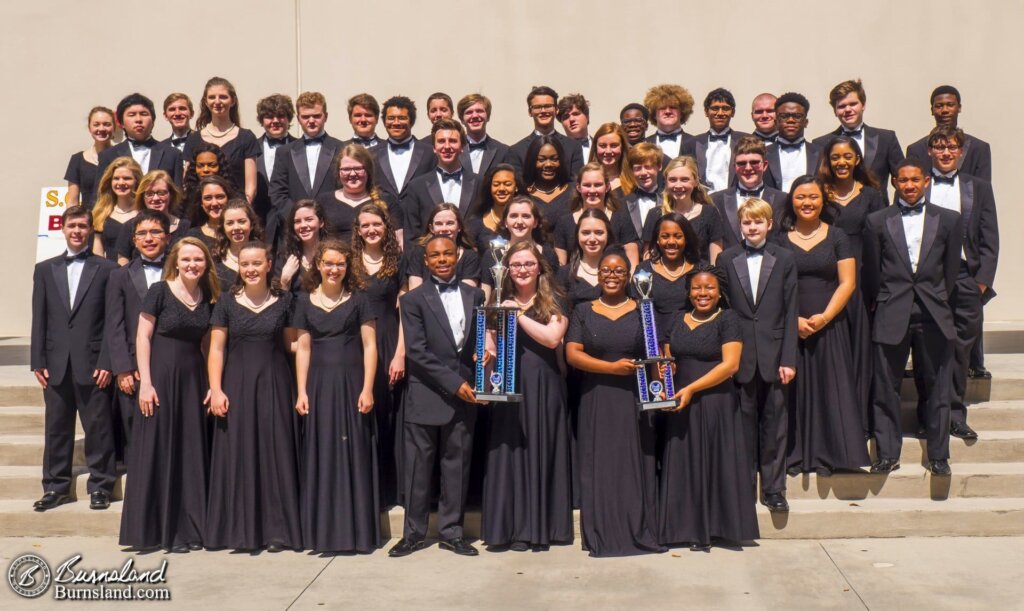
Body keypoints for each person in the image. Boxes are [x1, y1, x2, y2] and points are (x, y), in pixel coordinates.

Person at [119, 236, 218, 553]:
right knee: (162, 449)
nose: (192, 265)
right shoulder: (159, 291)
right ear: (175, 261)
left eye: (198, 260)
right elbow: (143, 336)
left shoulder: (207, 296)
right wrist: (145, 382)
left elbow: (205, 345)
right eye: (187, 259)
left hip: (192, 379)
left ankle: (191, 528)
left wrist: (210, 384)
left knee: (190, 451)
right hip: (160, 377)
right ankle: (163, 530)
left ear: (206, 264)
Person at [863, 159, 962, 476]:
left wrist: (936, 297)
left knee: (937, 387)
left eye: (915, 180)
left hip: (933, 312)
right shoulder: (877, 221)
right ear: (894, 182)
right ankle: (887, 454)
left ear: (926, 182)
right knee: (885, 388)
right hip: (892, 311)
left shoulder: (949, 220)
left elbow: (950, 273)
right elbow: (872, 274)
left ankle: (938, 455)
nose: (909, 185)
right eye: (903, 180)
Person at [389, 235, 485, 558]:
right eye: (435, 256)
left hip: (465, 395)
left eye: (447, 253)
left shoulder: (477, 294)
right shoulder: (413, 299)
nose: (442, 259)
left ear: (457, 255)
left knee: (457, 465)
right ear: (426, 261)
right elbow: (417, 351)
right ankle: (413, 533)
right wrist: (455, 382)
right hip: (427, 392)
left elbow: (480, 340)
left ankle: (452, 532)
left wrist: (486, 359)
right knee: (418, 467)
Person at [564, 248, 663, 557]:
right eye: (606, 270)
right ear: (598, 274)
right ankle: (602, 531)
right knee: (601, 463)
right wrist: (611, 368)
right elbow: (573, 354)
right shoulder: (582, 310)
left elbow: (654, 353)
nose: (611, 275)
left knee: (633, 463)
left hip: (634, 396)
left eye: (619, 270)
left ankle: (636, 527)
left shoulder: (644, 309)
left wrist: (661, 387)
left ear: (628, 276)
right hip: (597, 396)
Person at [206, 241, 301, 552]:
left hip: (275, 383)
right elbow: (216, 348)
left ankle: (278, 533)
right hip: (236, 384)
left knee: (276, 455)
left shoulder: (286, 300)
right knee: (239, 454)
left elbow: (293, 345)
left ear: (268, 264)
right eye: (245, 264)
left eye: (256, 263)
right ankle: (240, 532)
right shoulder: (226, 302)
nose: (250, 269)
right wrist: (216, 388)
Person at [659, 264, 759, 551]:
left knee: (714, 462)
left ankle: (716, 528)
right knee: (685, 463)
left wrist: (691, 388)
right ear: (689, 292)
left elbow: (730, 365)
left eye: (709, 288)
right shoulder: (677, 318)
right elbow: (667, 359)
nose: (703, 293)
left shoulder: (728, 319)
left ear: (719, 293)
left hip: (715, 401)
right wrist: (667, 382)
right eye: (697, 288)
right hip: (681, 402)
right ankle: (685, 527)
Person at [482, 240, 572, 552]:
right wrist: (486, 357)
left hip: (543, 384)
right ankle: (511, 529)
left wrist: (517, 315)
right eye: (516, 264)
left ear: (539, 267)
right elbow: (490, 343)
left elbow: (551, 338)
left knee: (539, 449)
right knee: (510, 453)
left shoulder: (555, 298)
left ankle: (541, 528)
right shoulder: (499, 299)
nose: (522, 270)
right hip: (509, 384)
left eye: (528, 264)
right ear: (507, 269)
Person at [293, 239, 382, 554]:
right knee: (323, 452)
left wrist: (368, 387)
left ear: (348, 267)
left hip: (351, 383)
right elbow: (303, 348)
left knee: (353, 451)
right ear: (318, 265)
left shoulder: (359, 300)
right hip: (318, 385)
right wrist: (302, 390)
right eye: (328, 263)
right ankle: (323, 533)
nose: (334, 269)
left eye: (340, 264)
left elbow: (370, 346)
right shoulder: (303, 301)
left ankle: (355, 532)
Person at [777, 176, 869, 476]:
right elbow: (772, 287)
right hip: (789, 322)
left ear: (822, 200)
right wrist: (794, 321)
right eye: (801, 197)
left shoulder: (838, 236)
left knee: (831, 388)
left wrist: (824, 317)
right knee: (793, 392)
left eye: (813, 197)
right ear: (792, 200)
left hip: (829, 323)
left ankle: (830, 454)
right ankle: (795, 455)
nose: (807, 203)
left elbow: (848, 283)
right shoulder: (779, 238)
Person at [30, 206, 117, 512]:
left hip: (94, 364)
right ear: (63, 229)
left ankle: (101, 485)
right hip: (54, 363)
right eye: (72, 226)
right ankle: (55, 487)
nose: (77, 231)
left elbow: (112, 321)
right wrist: (36, 360)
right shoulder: (44, 269)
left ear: (91, 230)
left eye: (83, 226)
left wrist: (108, 360)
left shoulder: (106, 270)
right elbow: (39, 317)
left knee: (98, 427)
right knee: (56, 427)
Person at [720, 198, 798, 512]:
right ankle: (742, 488)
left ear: (769, 224)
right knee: (742, 425)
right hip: (740, 355)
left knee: (775, 424)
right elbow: (724, 310)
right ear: (740, 225)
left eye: (758, 222)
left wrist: (789, 359)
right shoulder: (727, 258)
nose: (752, 227)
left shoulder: (785, 258)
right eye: (746, 222)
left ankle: (774, 489)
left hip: (775, 353)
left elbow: (791, 310)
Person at [925, 126, 999, 440]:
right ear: (930, 151)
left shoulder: (978, 187)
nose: (945, 153)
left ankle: (955, 415)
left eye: (951, 147)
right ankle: (929, 416)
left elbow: (990, 237)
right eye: (939, 147)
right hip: (929, 278)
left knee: (960, 350)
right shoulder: (918, 184)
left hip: (968, 279)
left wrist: (981, 283)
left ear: (960, 151)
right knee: (930, 348)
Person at [818, 135, 886, 424]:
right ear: (828, 161)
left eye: (847, 156)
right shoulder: (819, 193)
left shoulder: (872, 195)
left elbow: (881, 244)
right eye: (835, 157)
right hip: (825, 281)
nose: (841, 162)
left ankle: (858, 420)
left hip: (860, 281)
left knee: (858, 351)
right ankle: (830, 418)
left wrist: (877, 289)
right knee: (830, 352)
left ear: (857, 159)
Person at [351, 203, 408, 508]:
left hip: (389, 338)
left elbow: (406, 313)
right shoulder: (349, 262)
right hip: (357, 344)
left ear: (386, 227)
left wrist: (400, 353)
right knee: (365, 413)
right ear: (357, 230)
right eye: (365, 225)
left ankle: (393, 490)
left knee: (391, 414)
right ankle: (368, 490)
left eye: (377, 224)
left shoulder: (397, 260)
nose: (371, 230)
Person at [105, 209, 171, 464]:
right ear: (134, 240)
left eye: (155, 232)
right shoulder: (119, 276)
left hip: (171, 362)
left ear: (167, 237)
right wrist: (122, 369)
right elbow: (115, 324)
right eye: (142, 233)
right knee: (138, 432)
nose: (149, 238)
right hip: (133, 369)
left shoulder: (182, 271)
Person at [269, 91, 343, 246]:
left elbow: (346, 189)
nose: (311, 121)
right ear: (298, 119)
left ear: (326, 116)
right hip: (294, 233)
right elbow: (277, 193)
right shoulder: (284, 152)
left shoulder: (342, 148)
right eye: (305, 117)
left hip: (333, 231)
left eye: (316, 116)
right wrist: (299, 220)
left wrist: (325, 219)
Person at [813, 79, 904, 202]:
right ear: (835, 111)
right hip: (838, 214)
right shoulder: (821, 144)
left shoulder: (886, 138)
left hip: (877, 214)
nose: (848, 109)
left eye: (853, 104)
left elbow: (903, 178)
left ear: (863, 105)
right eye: (841, 106)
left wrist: (894, 212)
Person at [182, 77, 259, 203]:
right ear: (206, 102)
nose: (217, 102)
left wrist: (239, 211)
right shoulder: (193, 139)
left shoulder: (246, 137)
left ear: (233, 101)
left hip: (235, 212)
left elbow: (251, 188)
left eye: (223, 97)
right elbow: (187, 183)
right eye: (212, 97)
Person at [402, 119, 478, 239]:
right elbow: (412, 235)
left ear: (462, 146)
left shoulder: (479, 183)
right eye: (441, 141)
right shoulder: (416, 187)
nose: (447, 146)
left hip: (470, 256)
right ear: (434, 147)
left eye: (453, 141)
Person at [641, 157, 725, 263]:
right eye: (673, 180)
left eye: (684, 179)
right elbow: (648, 258)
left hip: (699, 277)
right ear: (666, 182)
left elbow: (716, 260)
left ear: (695, 181)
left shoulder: (709, 213)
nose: (678, 185)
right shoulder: (655, 214)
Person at [316, 144, 402, 244]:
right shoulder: (323, 202)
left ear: (368, 170)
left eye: (358, 168)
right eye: (346, 169)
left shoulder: (387, 201)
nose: (352, 174)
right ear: (339, 172)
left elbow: (399, 241)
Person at [712, 136, 787, 249]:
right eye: (741, 163)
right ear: (734, 167)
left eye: (754, 162)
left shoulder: (783, 200)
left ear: (765, 165)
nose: (748, 168)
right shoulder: (716, 200)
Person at [96, 93, 182, 192]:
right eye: (131, 115)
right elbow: (99, 196)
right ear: (121, 123)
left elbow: (178, 198)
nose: (138, 120)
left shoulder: (172, 154)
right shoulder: (108, 156)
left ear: (153, 121)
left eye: (144, 114)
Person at [481, 196, 559, 302]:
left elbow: (554, 292)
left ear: (535, 222)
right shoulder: (492, 254)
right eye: (513, 216)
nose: (519, 221)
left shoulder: (547, 254)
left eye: (526, 216)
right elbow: (486, 294)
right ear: (505, 222)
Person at [906, 85, 991, 181]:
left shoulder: (979, 149)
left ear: (959, 108)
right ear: (932, 110)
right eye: (939, 106)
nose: (945, 110)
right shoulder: (916, 150)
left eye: (950, 105)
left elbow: (984, 191)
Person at [115, 170, 191, 265]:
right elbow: (123, 264)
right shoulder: (129, 227)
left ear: (171, 195)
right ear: (142, 197)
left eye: (161, 193)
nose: (155, 198)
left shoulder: (186, 227)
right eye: (149, 194)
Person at [682, 88, 750, 192]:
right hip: (702, 202)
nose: (720, 113)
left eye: (725, 108)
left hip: (736, 201)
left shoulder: (746, 140)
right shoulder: (692, 144)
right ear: (706, 111)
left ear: (733, 112)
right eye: (715, 108)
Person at [634, 212, 702, 317]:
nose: (671, 241)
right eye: (665, 236)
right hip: (653, 331)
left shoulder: (701, 269)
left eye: (678, 236)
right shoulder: (644, 271)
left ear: (686, 239)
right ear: (657, 239)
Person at [509, 86, 585, 177]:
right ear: (530, 112)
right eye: (537, 107)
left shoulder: (573, 147)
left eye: (548, 106)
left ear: (556, 109)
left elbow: (575, 182)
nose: (543, 111)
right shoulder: (516, 151)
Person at [554, 163, 618, 265]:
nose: (592, 190)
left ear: (607, 187)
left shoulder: (621, 218)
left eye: (598, 185)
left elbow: (632, 263)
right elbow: (560, 265)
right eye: (587, 185)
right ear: (578, 187)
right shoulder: (564, 222)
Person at [374, 96, 436, 200]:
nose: (396, 123)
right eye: (391, 118)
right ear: (384, 122)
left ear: (411, 122)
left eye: (402, 118)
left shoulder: (430, 153)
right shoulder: (371, 154)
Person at [406, 203, 481, 289]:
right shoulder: (419, 253)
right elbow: (415, 294)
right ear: (431, 228)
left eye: (450, 223)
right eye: (439, 224)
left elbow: (468, 295)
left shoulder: (470, 257)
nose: (444, 228)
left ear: (459, 227)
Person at [611, 143, 663, 267]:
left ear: (659, 166)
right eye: (638, 168)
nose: (643, 173)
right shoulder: (621, 204)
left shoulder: (670, 200)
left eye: (648, 167)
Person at [253, 93, 296, 237]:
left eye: (281, 116)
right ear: (261, 120)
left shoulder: (300, 149)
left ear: (289, 119)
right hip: (259, 221)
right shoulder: (250, 150)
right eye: (270, 117)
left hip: (292, 222)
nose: (275, 121)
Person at [765, 92, 823, 193]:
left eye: (797, 116)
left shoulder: (821, 153)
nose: (791, 120)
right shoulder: (763, 153)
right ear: (776, 122)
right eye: (784, 116)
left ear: (806, 122)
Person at [557, 209, 613, 310]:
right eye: (586, 233)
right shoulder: (563, 274)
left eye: (599, 233)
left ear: (608, 235)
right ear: (577, 235)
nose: (592, 239)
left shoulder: (619, 273)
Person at [91, 157, 142, 261]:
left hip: (139, 274)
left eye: (127, 178)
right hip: (111, 274)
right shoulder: (101, 214)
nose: (121, 183)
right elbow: (98, 255)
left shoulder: (144, 213)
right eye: (116, 178)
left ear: (136, 181)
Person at [64, 106, 115, 209]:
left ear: (114, 127)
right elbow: (72, 202)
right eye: (96, 124)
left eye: (107, 124)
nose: (101, 128)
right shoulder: (77, 160)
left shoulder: (122, 157)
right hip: (88, 221)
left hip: (115, 221)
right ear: (89, 128)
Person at [465, 163, 526, 247]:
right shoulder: (476, 222)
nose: (501, 189)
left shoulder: (527, 219)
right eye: (496, 184)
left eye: (507, 184)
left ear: (516, 187)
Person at [275, 199, 329, 293]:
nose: (303, 225)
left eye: (309, 219)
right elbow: (278, 302)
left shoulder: (333, 254)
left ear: (321, 222)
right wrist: (284, 280)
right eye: (297, 221)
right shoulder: (285, 257)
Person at [522, 135, 574, 232]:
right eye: (541, 160)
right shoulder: (523, 195)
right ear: (532, 161)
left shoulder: (574, 191)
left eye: (554, 159)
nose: (548, 164)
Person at [457, 93, 510, 176]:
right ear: (462, 120)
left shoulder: (504, 151)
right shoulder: (453, 150)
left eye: (479, 111)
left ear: (488, 116)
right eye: (469, 112)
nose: (474, 115)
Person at [215, 199, 263, 288]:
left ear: (252, 224)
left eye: (241, 221)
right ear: (223, 228)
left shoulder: (265, 256)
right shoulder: (215, 259)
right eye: (230, 223)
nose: (236, 227)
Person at [644, 84, 696, 159]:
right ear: (654, 114)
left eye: (673, 107)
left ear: (682, 112)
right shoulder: (644, 144)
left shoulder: (695, 143)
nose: (668, 111)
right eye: (662, 108)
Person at [184, 175, 234, 250]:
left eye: (219, 197)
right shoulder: (193, 237)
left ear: (228, 199)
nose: (214, 203)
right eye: (208, 198)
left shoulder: (240, 231)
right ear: (201, 203)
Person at [589, 122, 631, 193]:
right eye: (603, 146)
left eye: (614, 145)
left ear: (622, 147)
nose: (608, 151)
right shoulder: (585, 180)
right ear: (595, 148)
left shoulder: (633, 179)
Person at [558, 93, 592, 162]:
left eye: (576, 114)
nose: (571, 119)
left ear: (587, 117)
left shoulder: (600, 146)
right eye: (566, 117)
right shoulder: (558, 151)